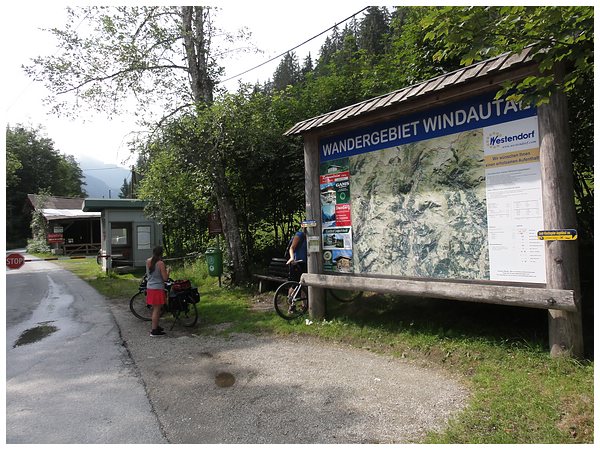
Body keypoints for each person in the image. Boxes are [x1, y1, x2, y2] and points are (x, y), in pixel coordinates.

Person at [146, 245, 170, 336]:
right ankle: (154, 331)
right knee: (157, 310)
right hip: (157, 288)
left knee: (154, 309)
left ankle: (155, 326)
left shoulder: (148, 261)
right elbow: (165, 278)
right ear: (161, 254)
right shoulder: (160, 263)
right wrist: (168, 271)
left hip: (150, 287)